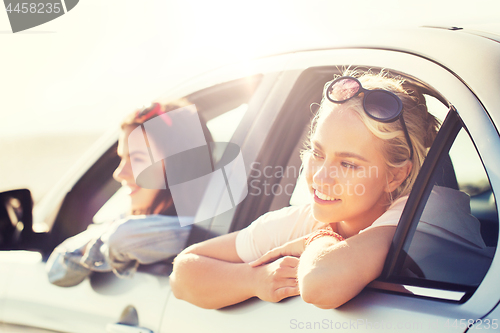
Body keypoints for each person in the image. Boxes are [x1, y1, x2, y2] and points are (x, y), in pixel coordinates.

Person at [170, 70, 487, 309]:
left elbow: (321, 285)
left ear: (396, 176)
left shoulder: (430, 211)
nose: (321, 177)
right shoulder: (303, 217)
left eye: (348, 164)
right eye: (318, 153)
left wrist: (319, 237)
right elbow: (183, 274)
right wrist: (255, 279)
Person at [46, 100, 211, 287]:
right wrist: (107, 239)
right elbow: (57, 268)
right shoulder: (129, 218)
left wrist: (101, 242)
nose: (119, 173)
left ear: (179, 165)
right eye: (122, 158)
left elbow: (123, 237)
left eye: (137, 158)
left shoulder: (212, 229)